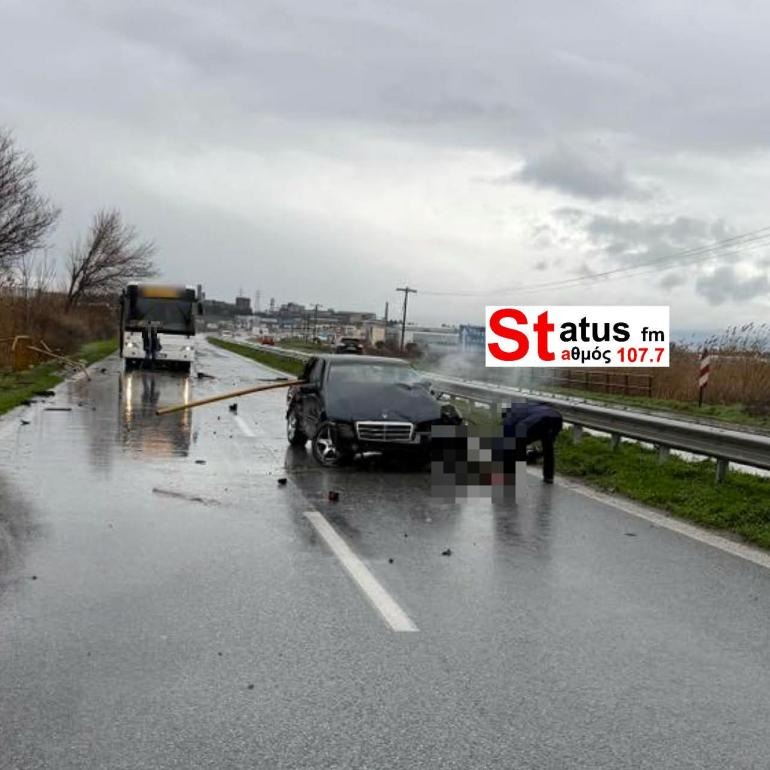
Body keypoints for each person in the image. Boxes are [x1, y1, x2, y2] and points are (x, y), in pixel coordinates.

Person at [501, 402, 563, 483]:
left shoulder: (509, 417)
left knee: (518, 445)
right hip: (556, 418)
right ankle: (549, 476)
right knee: (548, 447)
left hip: (534, 422)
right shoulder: (528, 407)